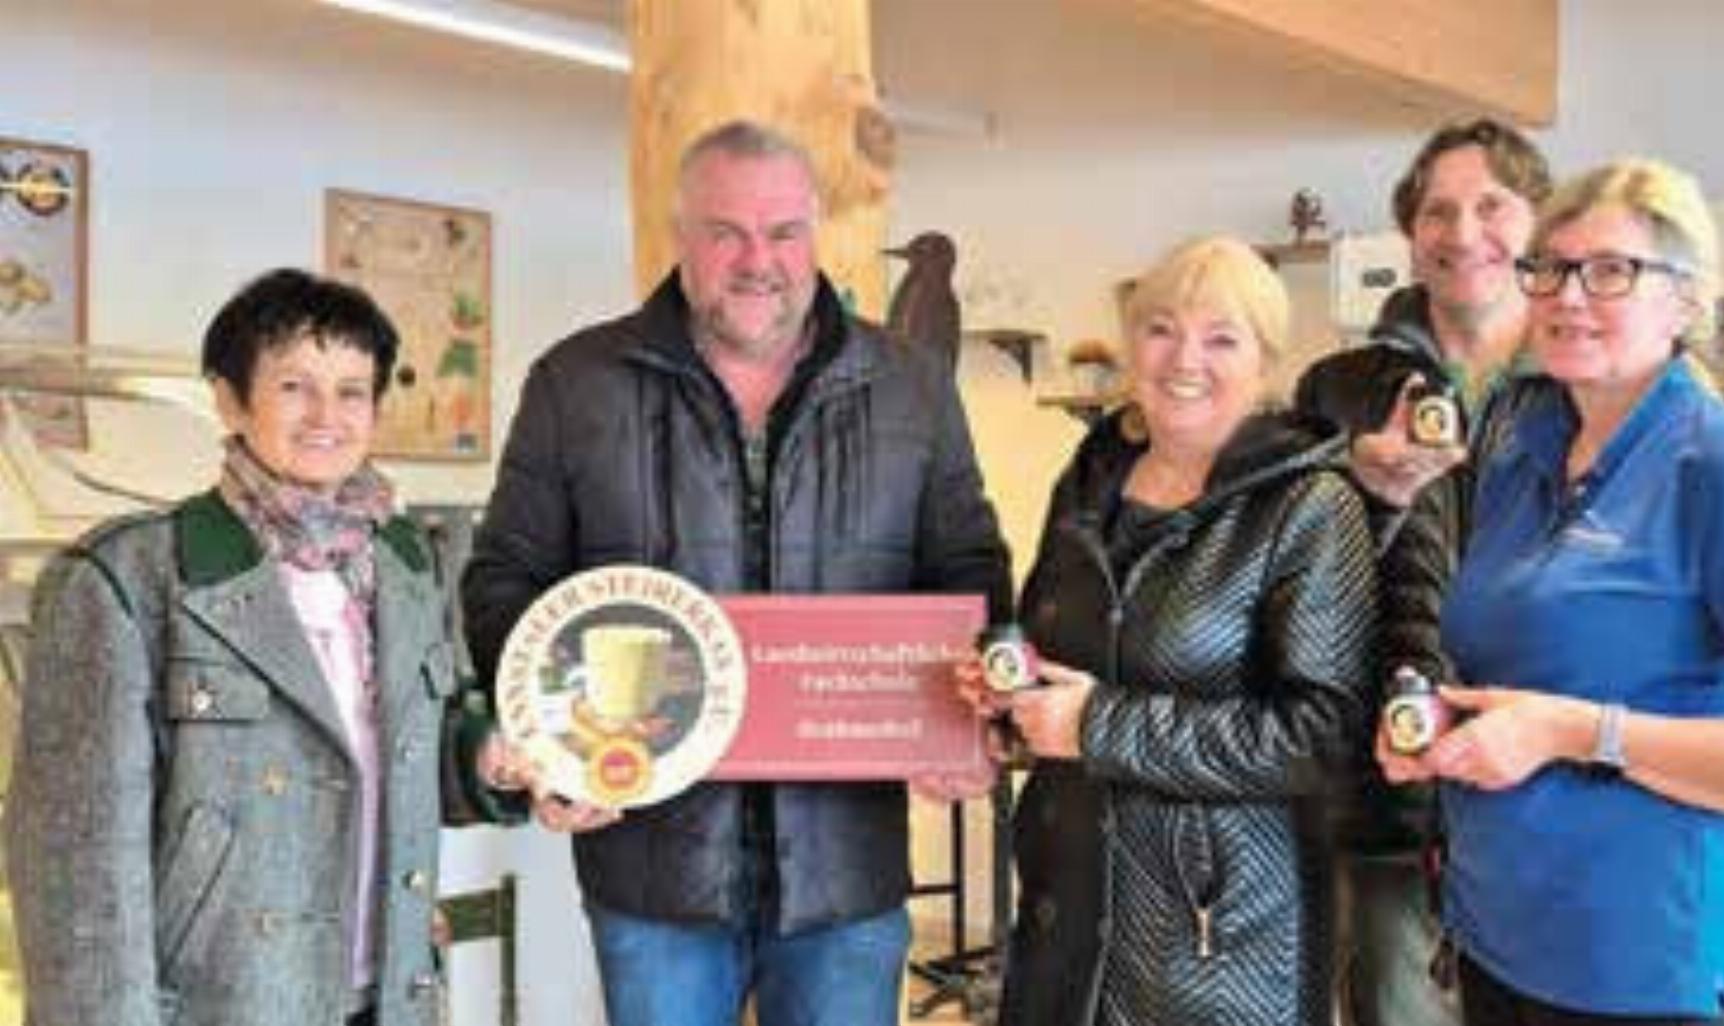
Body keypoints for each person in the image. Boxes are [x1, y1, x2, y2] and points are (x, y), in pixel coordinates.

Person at [460, 120, 1013, 1026]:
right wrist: (551, 738)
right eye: (726, 232)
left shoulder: (912, 386)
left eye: (784, 232)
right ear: (681, 236)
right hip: (652, 870)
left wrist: (969, 714)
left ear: (817, 236)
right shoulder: (576, 382)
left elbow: (971, 570)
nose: (759, 259)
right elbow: (505, 582)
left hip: (848, 871)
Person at [1383, 158, 1724, 1024]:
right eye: (1550, 270)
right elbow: (1529, 676)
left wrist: (1572, 732)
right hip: (1501, 945)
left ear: (1685, 300)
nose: (1569, 297)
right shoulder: (1521, 457)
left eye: (1611, 272)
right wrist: (1450, 728)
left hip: (1647, 971)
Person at [4, 268, 501, 1026]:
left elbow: (417, 761)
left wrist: (492, 763)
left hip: (391, 998)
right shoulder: (124, 579)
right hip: (222, 1005)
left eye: (352, 390)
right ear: (231, 400)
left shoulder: (405, 564)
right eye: (295, 386)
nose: (326, 415)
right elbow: (76, 869)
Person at [975, 236, 1377, 1026]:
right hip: (1066, 920)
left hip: (1215, 949)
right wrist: (1006, 701)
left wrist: (1099, 725)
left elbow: (1322, 735)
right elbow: (1047, 645)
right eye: (1161, 328)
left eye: (1221, 338)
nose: (1184, 357)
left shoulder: (1311, 507)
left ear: (1264, 364)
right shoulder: (1090, 480)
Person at [1292, 117, 1553, 1026]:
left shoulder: (1590, 379)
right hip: (1389, 792)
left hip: (1551, 788)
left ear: (1540, 224)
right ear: (1410, 233)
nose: (1461, 231)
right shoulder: (1335, 389)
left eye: (1491, 205)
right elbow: (1287, 585)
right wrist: (1364, 493)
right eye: (1437, 210)